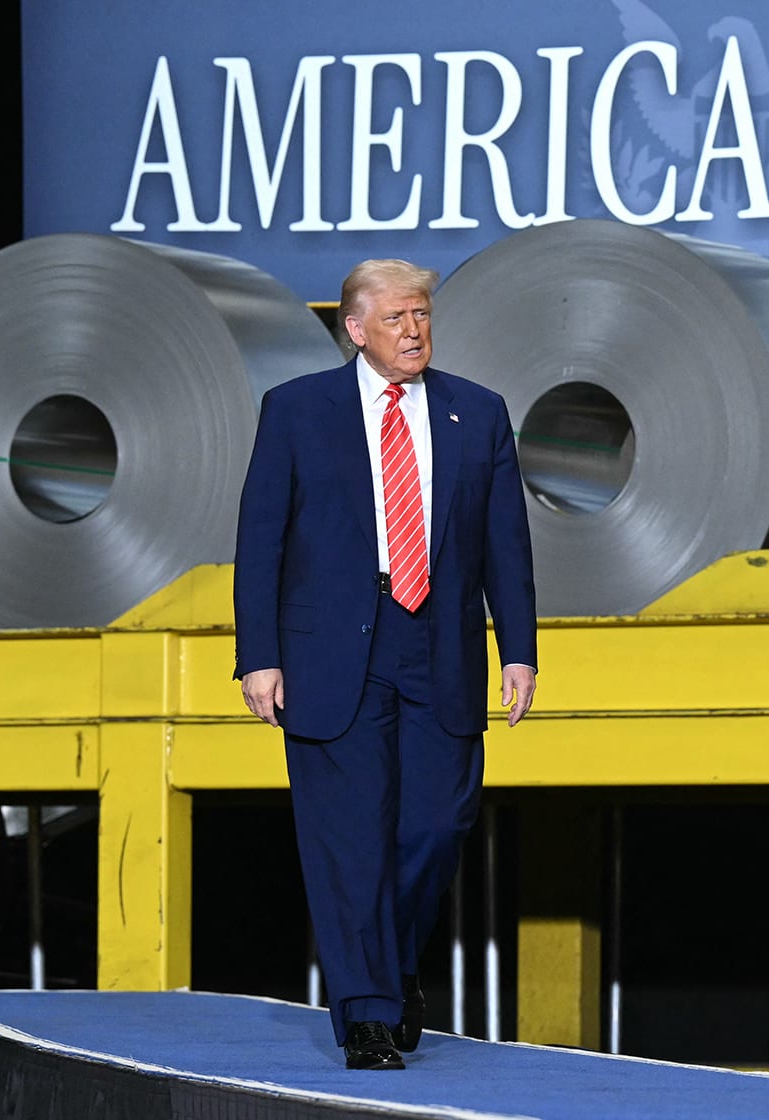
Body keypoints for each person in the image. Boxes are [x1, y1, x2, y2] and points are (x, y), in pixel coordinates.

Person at [234, 258, 538, 1070]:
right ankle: (367, 1010)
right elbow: (260, 539)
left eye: (423, 315)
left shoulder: (478, 411)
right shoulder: (296, 410)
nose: (414, 330)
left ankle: (391, 962)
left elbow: (505, 544)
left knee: (436, 825)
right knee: (350, 840)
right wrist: (259, 657)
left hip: (440, 643)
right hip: (333, 652)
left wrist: (518, 650)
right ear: (356, 329)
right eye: (397, 317)